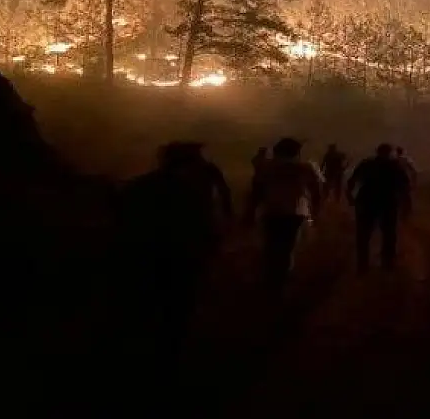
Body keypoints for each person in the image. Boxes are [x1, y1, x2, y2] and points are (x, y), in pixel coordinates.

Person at [113, 141, 233, 400]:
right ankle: (166, 369)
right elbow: (205, 228)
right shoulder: (191, 192)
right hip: (182, 259)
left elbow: (120, 222)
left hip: (142, 258)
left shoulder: (138, 186)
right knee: (176, 315)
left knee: (142, 310)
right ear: (190, 161)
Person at [244, 137, 324, 290]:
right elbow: (316, 191)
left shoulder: (266, 167)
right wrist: (315, 211)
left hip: (272, 211)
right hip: (295, 212)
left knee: (271, 244)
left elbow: (256, 192)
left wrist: (250, 212)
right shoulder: (306, 167)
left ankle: (271, 277)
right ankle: (281, 277)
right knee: (287, 246)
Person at [347, 143, 411, 273]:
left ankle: (363, 265)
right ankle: (387, 264)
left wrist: (350, 197)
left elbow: (352, 181)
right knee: (389, 235)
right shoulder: (396, 166)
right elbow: (405, 188)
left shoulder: (367, 164)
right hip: (388, 203)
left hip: (367, 202)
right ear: (390, 152)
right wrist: (406, 206)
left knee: (363, 235)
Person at [395, 146, 418, 216]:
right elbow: (413, 170)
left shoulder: (394, 160)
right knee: (407, 196)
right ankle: (408, 211)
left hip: (397, 180)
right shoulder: (406, 159)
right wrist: (414, 180)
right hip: (405, 179)